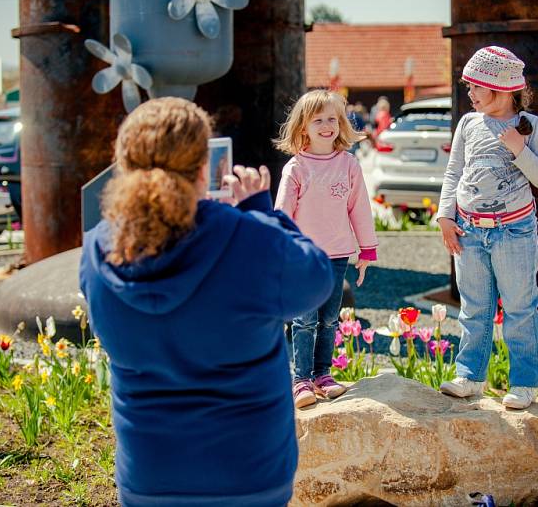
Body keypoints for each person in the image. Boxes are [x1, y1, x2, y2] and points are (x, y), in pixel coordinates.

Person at [79, 97, 334, 506]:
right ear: (204, 168)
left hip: (150, 476)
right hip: (248, 474)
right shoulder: (247, 237)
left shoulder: (96, 252)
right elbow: (317, 279)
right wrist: (260, 211)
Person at [436, 46, 538, 410]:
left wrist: (520, 149)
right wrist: (445, 216)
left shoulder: (529, 126)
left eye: (475, 87)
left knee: (520, 307)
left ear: (502, 89)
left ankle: (524, 382)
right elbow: (454, 172)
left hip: (514, 232)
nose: (469, 94)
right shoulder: (468, 124)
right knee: (473, 307)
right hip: (470, 231)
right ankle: (470, 376)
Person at [274, 89, 378, 409]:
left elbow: (359, 209)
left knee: (330, 318)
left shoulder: (348, 165)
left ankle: (323, 375)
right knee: (304, 320)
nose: (326, 125)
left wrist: (367, 251)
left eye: (332, 119)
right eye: (318, 120)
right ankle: (301, 380)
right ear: (303, 126)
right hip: (305, 257)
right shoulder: (296, 168)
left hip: (338, 254)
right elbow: (282, 215)